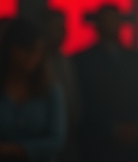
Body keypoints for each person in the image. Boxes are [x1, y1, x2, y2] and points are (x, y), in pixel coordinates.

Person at [0, 17, 67, 161]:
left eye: (38, 52)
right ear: (10, 49)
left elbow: (56, 141)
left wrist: (5, 149)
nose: (33, 57)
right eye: (27, 50)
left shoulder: (51, 92)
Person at [73, 5, 138, 162]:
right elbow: (81, 102)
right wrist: (111, 128)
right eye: (106, 20)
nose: (110, 24)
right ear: (97, 25)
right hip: (95, 145)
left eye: (114, 20)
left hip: (133, 147)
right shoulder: (82, 61)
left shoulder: (136, 60)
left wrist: (137, 126)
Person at [39, 10, 81, 162]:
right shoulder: (34, 62)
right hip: (42, 139)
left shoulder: (67, 61)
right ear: (44, 29)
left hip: (70, 137)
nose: (63, 32)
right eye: (57, 27)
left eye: (63, 27)